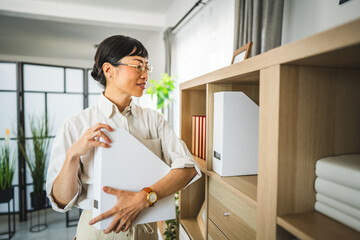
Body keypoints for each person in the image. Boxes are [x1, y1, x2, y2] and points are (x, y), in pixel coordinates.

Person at [46, 35, 201, 240]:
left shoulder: (153, 121)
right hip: (97, 231)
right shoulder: (75, 125)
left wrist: (144, 198)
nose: (145, 74)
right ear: (109, 70)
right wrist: (73, 155)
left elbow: (188, 169)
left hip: (145, 230)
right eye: (138, 66)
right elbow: (61, 201)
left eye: (147, 67)